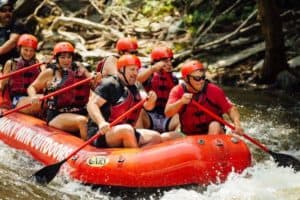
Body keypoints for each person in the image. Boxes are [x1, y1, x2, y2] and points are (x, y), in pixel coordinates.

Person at [87, 54, 161, 148]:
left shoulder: (135, 86)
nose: (135, 73)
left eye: (137, 70)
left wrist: (152, 100)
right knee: (127, 130)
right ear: (121, 70)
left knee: (156, 137)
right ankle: (135, 159)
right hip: (101, 133)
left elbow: (148, 106)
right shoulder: (110, 84)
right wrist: (101, 122)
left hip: (123, 130)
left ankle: (135, 157)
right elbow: (91, 104)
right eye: (132, 69)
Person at [27, 42, 92, 140]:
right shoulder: (50, 72)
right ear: (57, 58)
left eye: (69, 57)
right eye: (62, 57)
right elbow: (32, 87)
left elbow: (91, 80)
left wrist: (96, 78)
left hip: (80, 110)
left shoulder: (79, 67)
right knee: (82, 121)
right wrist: (33, 96)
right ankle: (91, 151)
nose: (66, 60)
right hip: (57, 114)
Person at [165, 60, 243, 135]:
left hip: (215, 132)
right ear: (186, 79)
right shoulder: (177, 91)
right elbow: (168, 113)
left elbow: (230, 109)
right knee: (164, 137)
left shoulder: (214, 90)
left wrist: (237, 123)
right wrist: (181, 102)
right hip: (189, 135)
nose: (201, 81)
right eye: (197, 78)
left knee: (214, 125)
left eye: (203, 77)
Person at [136, 46, 180, 138]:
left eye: (170, 60)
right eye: (165, 61)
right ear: (156, 62)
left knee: (181, 117)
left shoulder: (174, 79)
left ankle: (174, 140)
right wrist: (153, 68)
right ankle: (139, 140)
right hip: (149, 116)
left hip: (167, 118)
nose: (169, 63)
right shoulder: (148, 73)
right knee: (138, 112)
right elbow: (138, 79)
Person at [0, 33, 39, 109]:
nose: (28, 53)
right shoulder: (11, 64)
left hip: (33, 95)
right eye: (26, 50)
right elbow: (2, 85)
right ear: (20, 49)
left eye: (31, 51)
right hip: (16, 98)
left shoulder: (38, 64)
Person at [0, 0, 25, 70]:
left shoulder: (17, 24)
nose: (7, 13)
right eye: (3, 10)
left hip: (15, 63)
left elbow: (12, 42)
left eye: (10, 10)